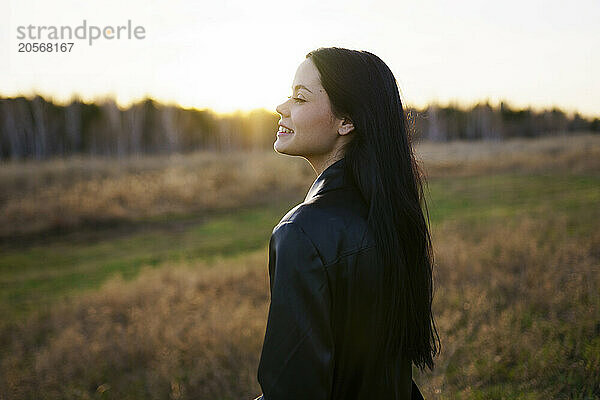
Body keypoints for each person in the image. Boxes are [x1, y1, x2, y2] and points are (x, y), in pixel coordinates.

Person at [253, 47, 440, 400]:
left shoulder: (300, 233)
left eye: (300, 98)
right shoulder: (390, 212)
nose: (281, 107)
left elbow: (293, 392)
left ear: (347, 121)